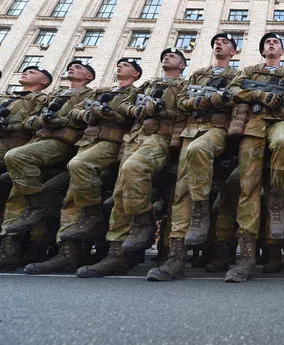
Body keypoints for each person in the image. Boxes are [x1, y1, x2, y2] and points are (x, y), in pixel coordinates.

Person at [23, 58, 141, 274]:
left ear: (136, 74)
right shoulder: (101, 91)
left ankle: (108, 240)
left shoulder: (137, 92)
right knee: (70, 194)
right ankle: (68, 252)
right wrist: (88, 114)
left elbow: (134, 116)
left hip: (115, 147)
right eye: (119, 64)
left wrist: (109, 114)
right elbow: (75, 112)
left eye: (127, 65)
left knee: (109, 190)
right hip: (87, 144)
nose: (119, 66)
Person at [76, 48, 187, 278]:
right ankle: (117, 254)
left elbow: (186, 109)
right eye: (164, 55)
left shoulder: (184, 85)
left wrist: (161, 110)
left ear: (182, 66)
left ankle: (144, 222)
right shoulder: (147, 86)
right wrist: (137, 108)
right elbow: (125, 105)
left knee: (133, 168)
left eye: (173, 56)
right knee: (120, 192)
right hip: (134, 137)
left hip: (160, 137)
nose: (166, 56)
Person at [147, 34, 238, 281]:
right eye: (215, 42)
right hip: (191, 130)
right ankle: (175, 257)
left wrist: (213, 100)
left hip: (217, 131)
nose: (218, 44)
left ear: (233, 51)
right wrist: (203, 99)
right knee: (181, 190)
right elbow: (183, 102)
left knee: (200, 152)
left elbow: (236, 101)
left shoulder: (236, 76)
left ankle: (200, 210)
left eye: (224, 42)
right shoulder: (198, 75)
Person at [0, 61, 94, 271]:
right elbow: (31, 120)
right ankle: (13, 247)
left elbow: (85, 118)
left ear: (89, 77)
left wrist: (58, 120)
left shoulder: (90, 95)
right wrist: (41, 119)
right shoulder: (54, 96)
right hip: (38, 142)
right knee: (11, 185)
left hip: (62, 145)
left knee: (19, 168)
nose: (72, 68)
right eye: (71, 67)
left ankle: (36, 222)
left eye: (79, 68)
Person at [224, 33, 284, 283]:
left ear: (283, 50)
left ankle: (277, 201)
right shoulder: (249, 71)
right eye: (266, 42)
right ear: (261, 50)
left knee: (283, 142)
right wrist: (256, 95)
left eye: (276, 42)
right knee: (249, 188)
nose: (271, 44)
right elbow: (233, 89)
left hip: (279, 122)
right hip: (253, 126)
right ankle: (246, 258)